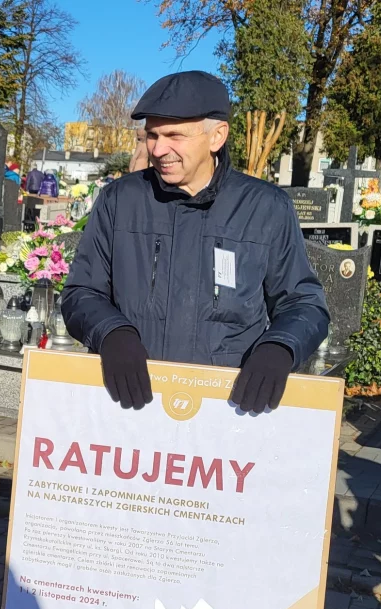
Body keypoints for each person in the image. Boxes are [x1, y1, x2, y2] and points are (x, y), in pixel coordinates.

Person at [62, 71, 329, 414]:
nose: (158, 149)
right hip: (127, 404)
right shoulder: (120, 200)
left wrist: (280, 347)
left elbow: (304, 303)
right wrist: (112, 333)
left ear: (216, 136)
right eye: (152, 136)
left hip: (226, 409)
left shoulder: (266, 208)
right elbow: (82, 292)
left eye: (174, 135)